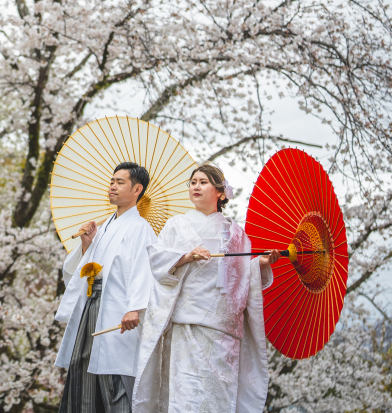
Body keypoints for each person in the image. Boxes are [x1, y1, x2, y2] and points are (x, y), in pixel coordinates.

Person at [132, 163, 280, 413]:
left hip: (223, 332)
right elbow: (156, 261)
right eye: (192, 182)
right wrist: (185, 257)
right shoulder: (176, 225)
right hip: (187, 326)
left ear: (221, 192)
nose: (195, 186)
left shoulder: (237, 234)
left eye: (203, 182)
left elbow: (243, 278)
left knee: (218, 397)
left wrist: (260, 265)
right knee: (186, 397)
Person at [55, 161, 156, 413]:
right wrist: (88, 244)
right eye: (111, 181)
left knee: (115, 378)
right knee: (82, 369)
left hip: (117, 310)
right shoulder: (103, 226)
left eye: (119, 182)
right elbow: (86, 271)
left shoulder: (141, 228)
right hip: (92, 304)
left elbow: (144, 271)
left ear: (137, 189)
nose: (112, 187)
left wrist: (135, 308)